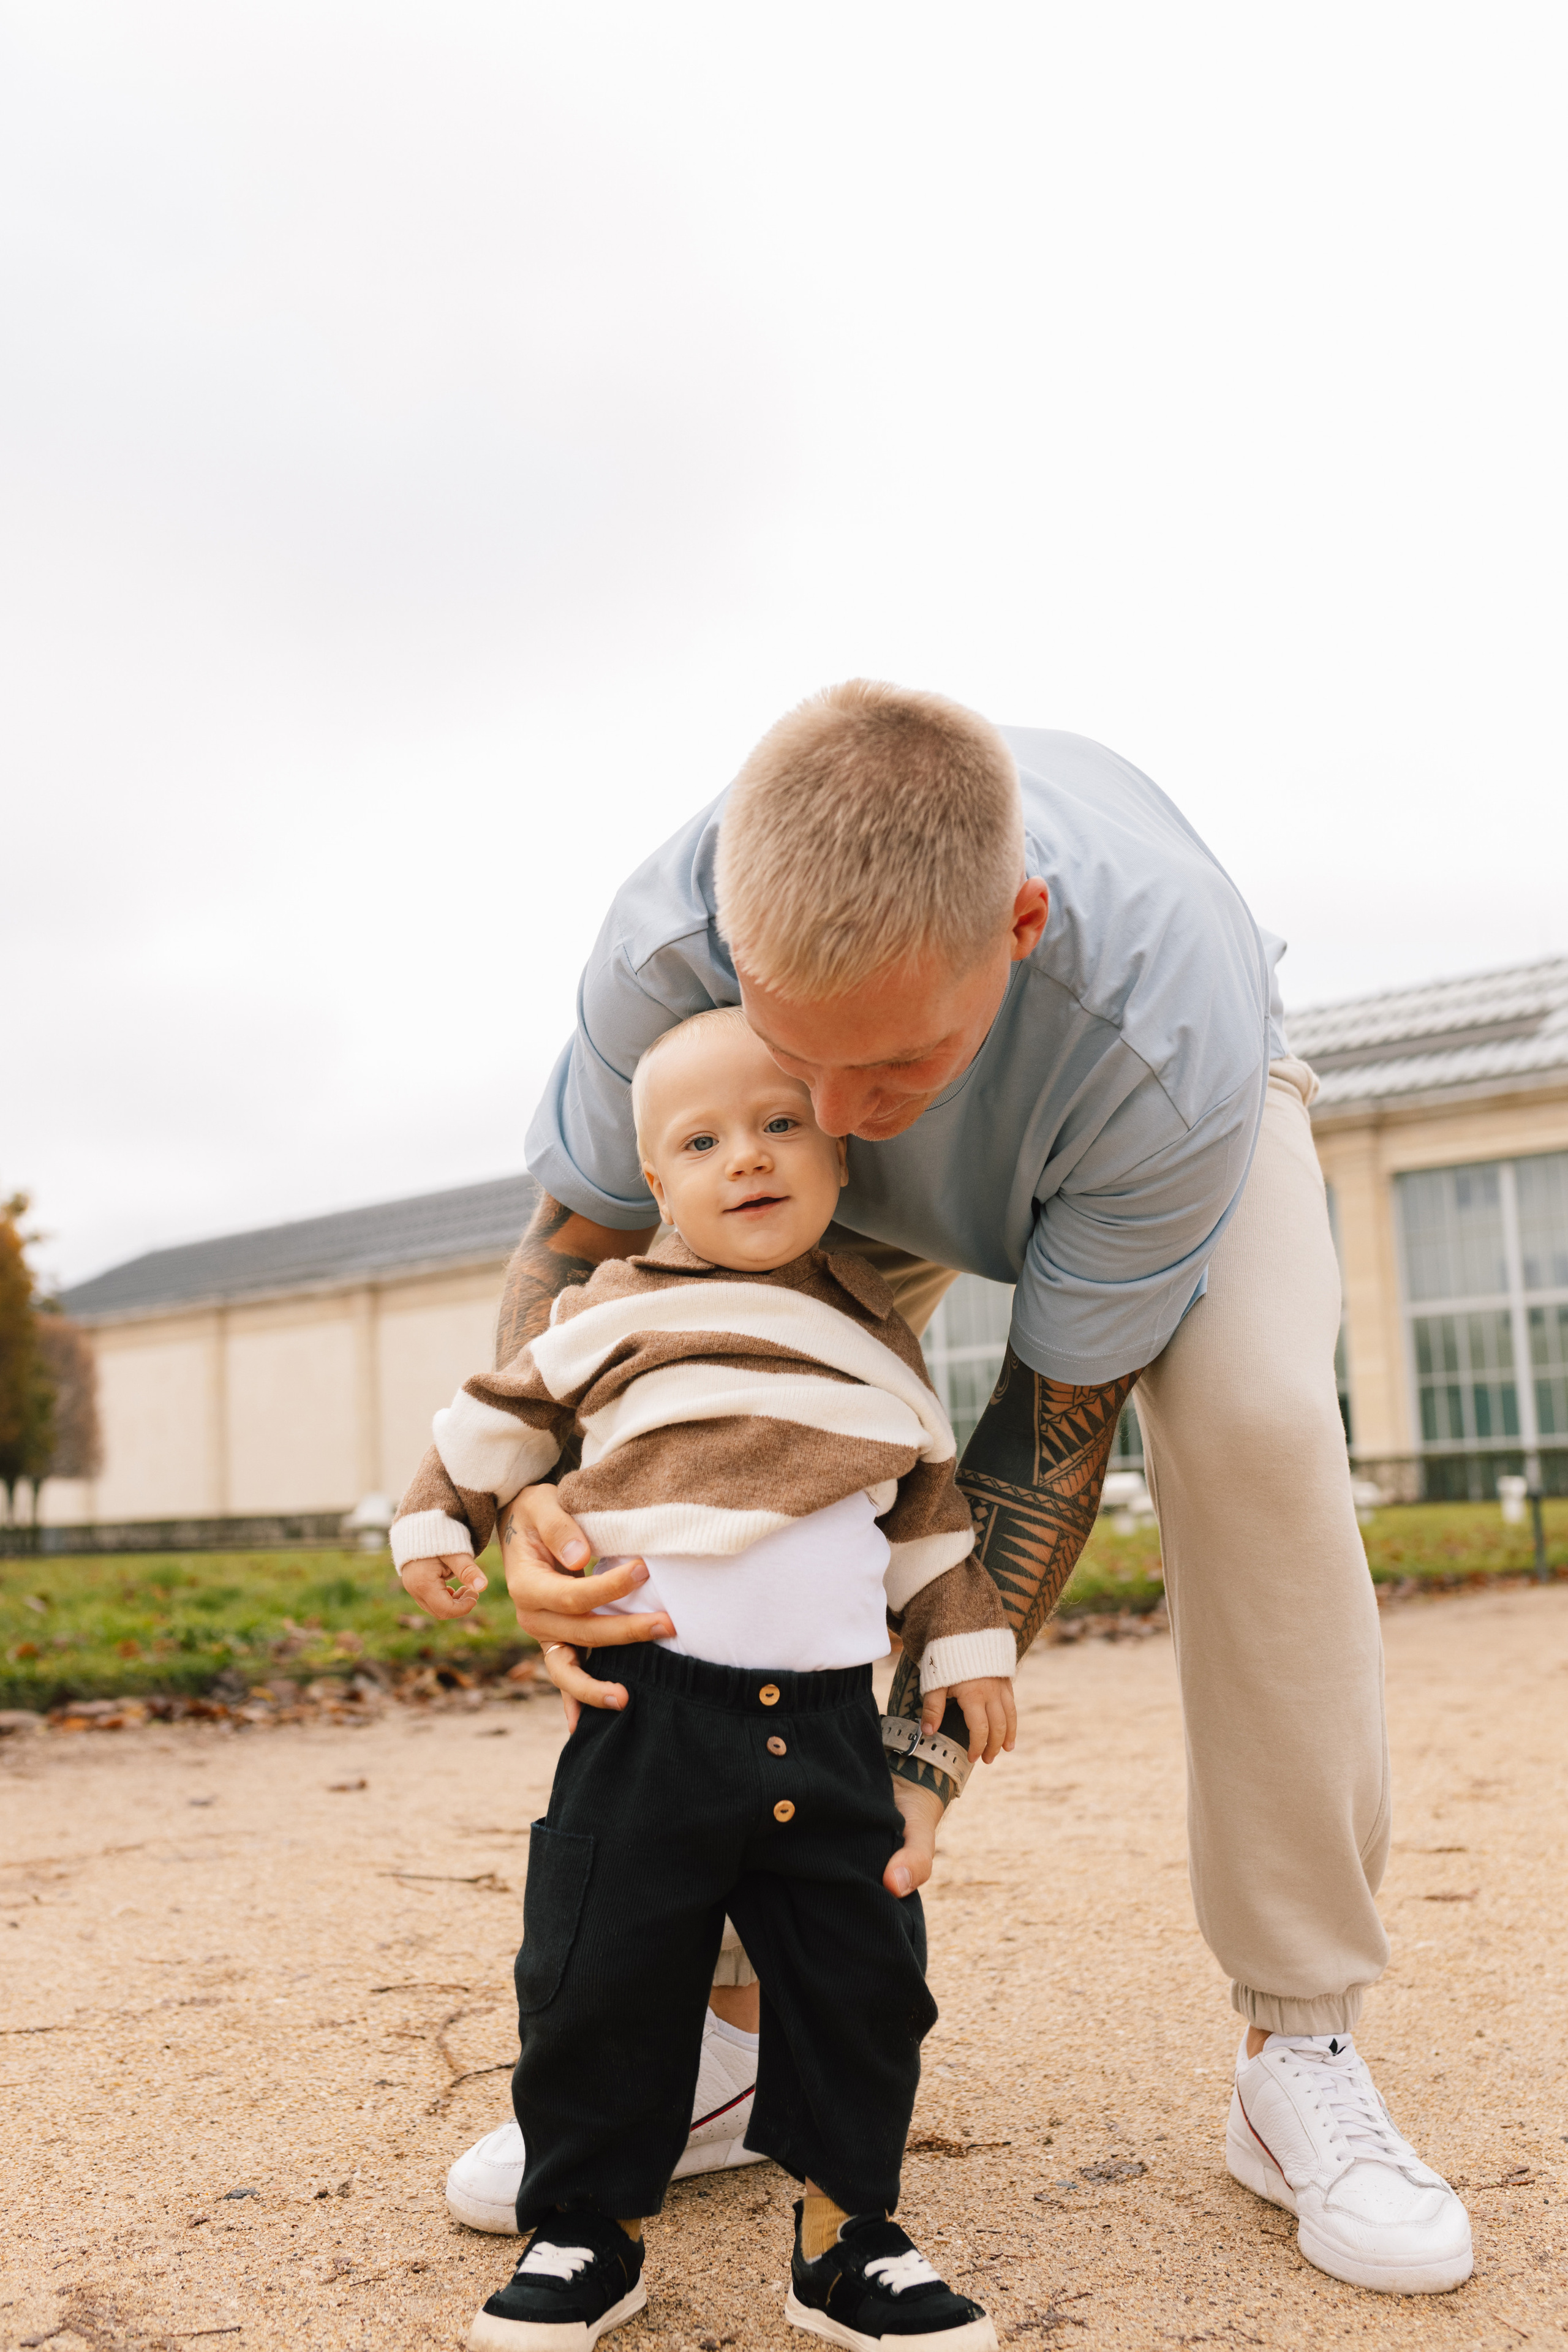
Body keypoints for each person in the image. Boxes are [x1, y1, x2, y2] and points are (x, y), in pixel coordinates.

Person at [427, 680, 1474, 2300]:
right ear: (732, 948)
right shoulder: (667, 952)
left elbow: (1042, 1431)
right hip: (792, 1169)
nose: (850, 1115)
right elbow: (579, 1254)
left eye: (894, 1059)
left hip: (1118, 1114)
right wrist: (540, 1500)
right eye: (804, 1048)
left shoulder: (1166, 1027)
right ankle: (721, 2039)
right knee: (710, 1439)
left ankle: (1300, 2043)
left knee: (1260, 1425)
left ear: (1022, 926)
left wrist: (915, 1754)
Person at [396, 1007, 1015, 2352]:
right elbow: (498, 1416)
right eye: (701, 1141)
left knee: (862, 1982)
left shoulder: (877, 1340)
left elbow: (927, 1513)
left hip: (832, 1727)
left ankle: (846, 2239)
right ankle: (587, 2230)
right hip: (650, 1714)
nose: (747, 1156)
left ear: (839, 1157)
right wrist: (442, 1515)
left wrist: (965, 1648)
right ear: (654, 1183)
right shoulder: (612, 1311)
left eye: (781, 1123)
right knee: (599, 1974)